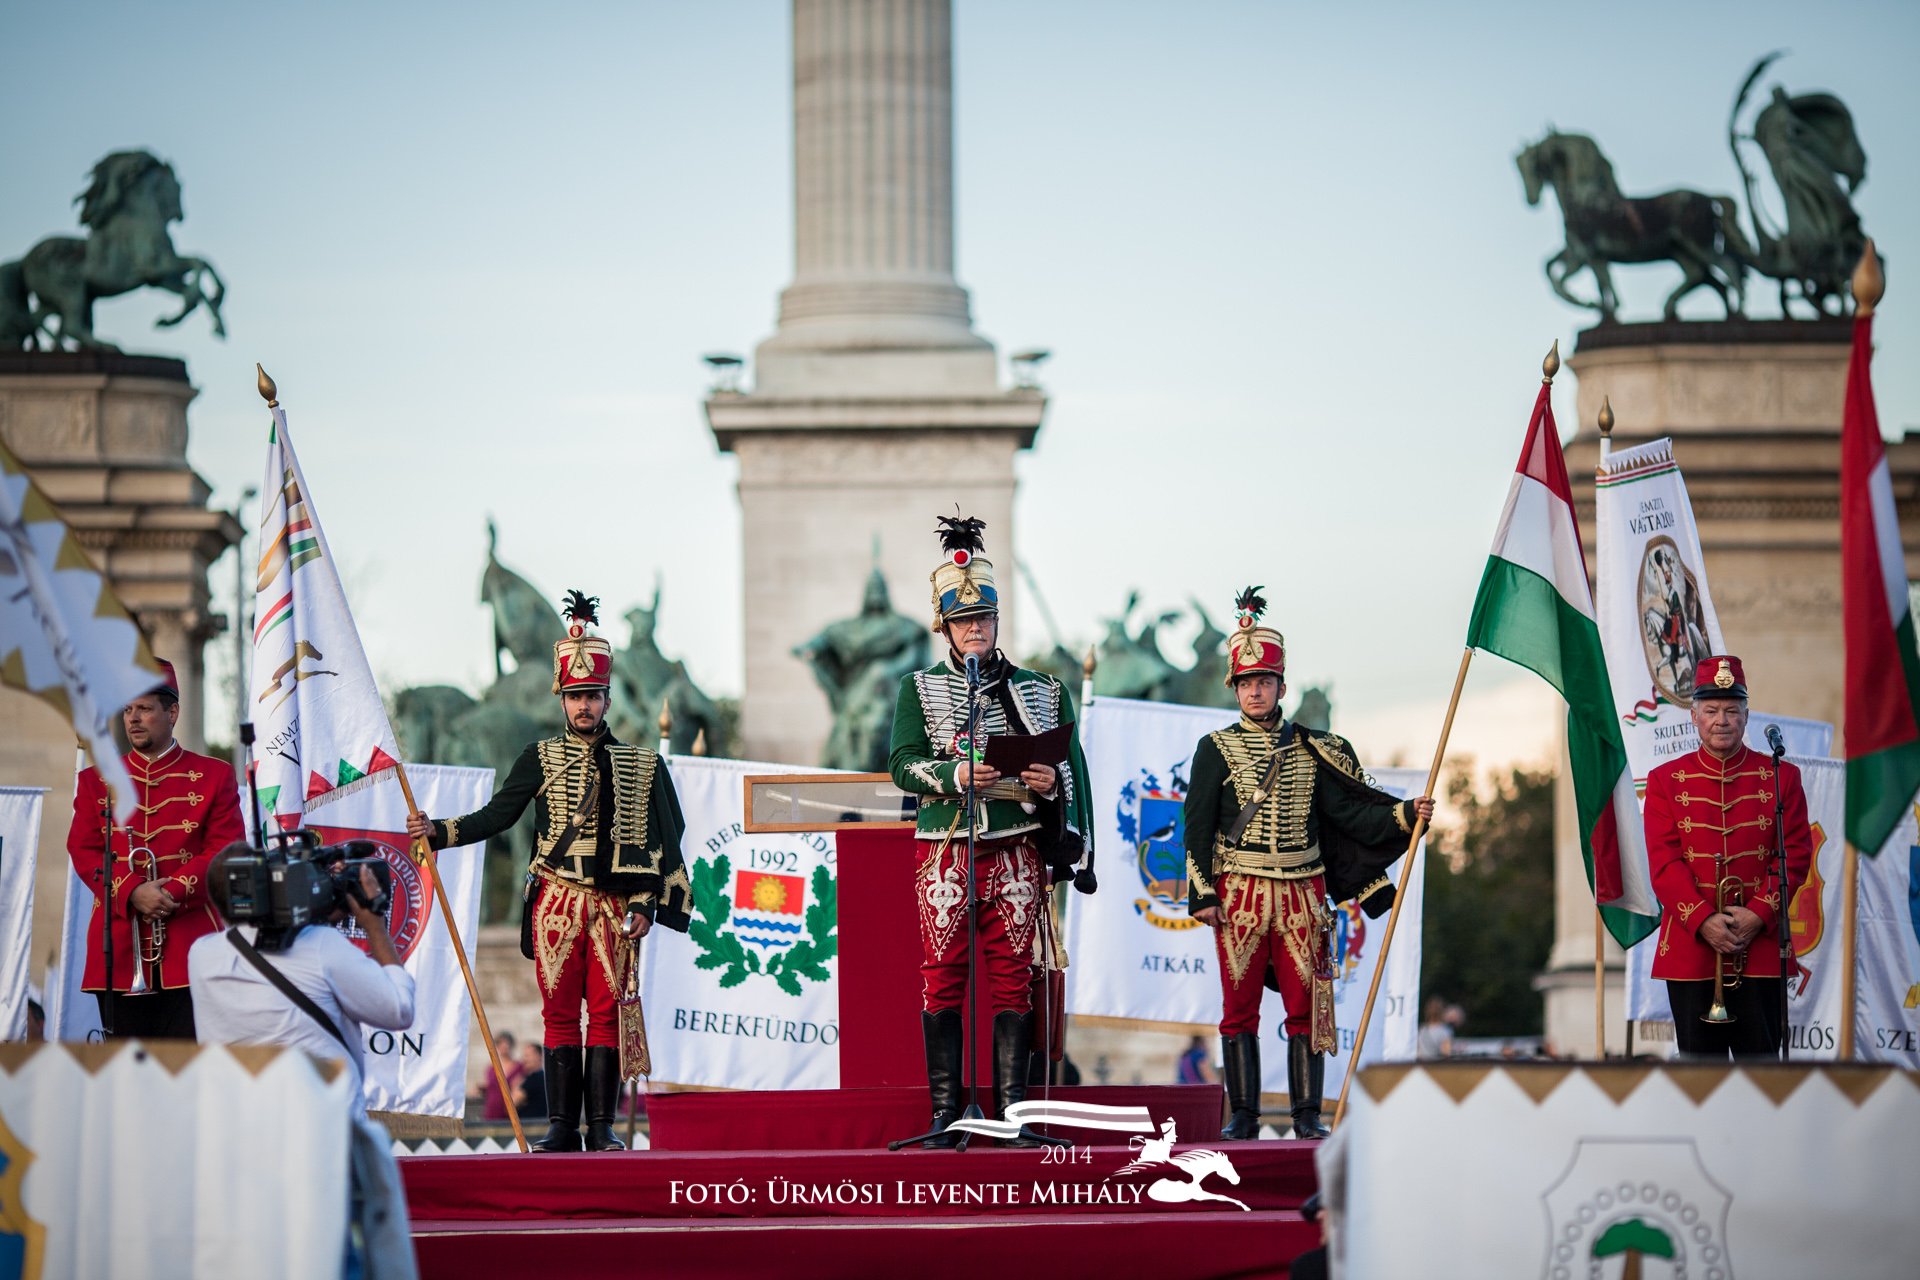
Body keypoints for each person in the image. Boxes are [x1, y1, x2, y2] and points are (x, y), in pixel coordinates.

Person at [408, 590, 690, 1152]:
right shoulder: (537, 757)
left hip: (614, 907)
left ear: (608, 699)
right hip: (557, 904)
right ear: (561, 699)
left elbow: (666, 840)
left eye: (592, 695)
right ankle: (562, 1129)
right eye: (574, 696)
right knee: (559, 1015)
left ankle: (603, 1128)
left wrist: (646, 904)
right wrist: (441, 832)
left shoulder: (641, 763)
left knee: (607, 1017)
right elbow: (499, 813)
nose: (583, 705)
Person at [1183, 588, 1434, 1140]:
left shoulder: (1317, 748)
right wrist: (1203, 894)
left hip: (1303, 892)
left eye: (1264, 682)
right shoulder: (1214, 747)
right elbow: (1196, 828)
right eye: (1246, 683)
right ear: (1235, 688)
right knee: (1238, 1008)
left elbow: (1348, 815)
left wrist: (1403, 815)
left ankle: (1305, 1115)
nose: (1255, 691)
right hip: (1240, 892)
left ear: (1280, 687)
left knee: (1310, 1006)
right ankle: (1243, 1116)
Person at [888, 514, 1094, 1147]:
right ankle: (947, 1114)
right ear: (945, 627)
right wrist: (952, 774)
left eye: (983, 619)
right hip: (947, 848)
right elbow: (901, 764)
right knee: (942, 972)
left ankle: (1012, 1115)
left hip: (1017, 849)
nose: (974, 629)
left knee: (1012, 976)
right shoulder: (916, 688)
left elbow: (1072, 767)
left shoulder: (1043, 688)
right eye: (962, 621)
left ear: (998, 622)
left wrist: (1049, 784)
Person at [188, 844, 418, 1279]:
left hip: (239, 1141)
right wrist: (373, 924)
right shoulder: (321, 947)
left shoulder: (202, 956)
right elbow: (397, 1010)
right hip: (322, 1140)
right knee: (329, 1258)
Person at [1644, 655, 1812, 1058]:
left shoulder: (1781, 776)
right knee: (1701, 1081)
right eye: (1712, 710)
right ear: (1694, 717)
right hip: (1690, 949)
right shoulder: (1664, 780)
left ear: (1747, 716)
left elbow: (1796, 854)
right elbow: (1664, 863)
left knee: (1764, 1077)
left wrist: (1759, 913)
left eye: (1732, 711)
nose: (1721, 720)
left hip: (1761, 948)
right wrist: (1703, 921)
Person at [66, 659, 245, 1039]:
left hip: (191, 946)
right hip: (117, 950)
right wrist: (132, 892)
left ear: (172, 712)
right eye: (128, 710)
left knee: (189, 1073)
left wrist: (168, 893)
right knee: (128, 1077)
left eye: (144, 708)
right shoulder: (94, 781)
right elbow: (83, 850)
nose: (133, 719)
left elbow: (224, 849)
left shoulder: (216, 775)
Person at [471, 1030, 523, 1120]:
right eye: (501, 1044)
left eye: (506, 1044)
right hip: (492, 1109)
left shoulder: (519, 1067)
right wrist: (481, 1088)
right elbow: (492, 1086)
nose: (504, 1047)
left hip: (511, 1110)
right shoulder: (491, 1068)